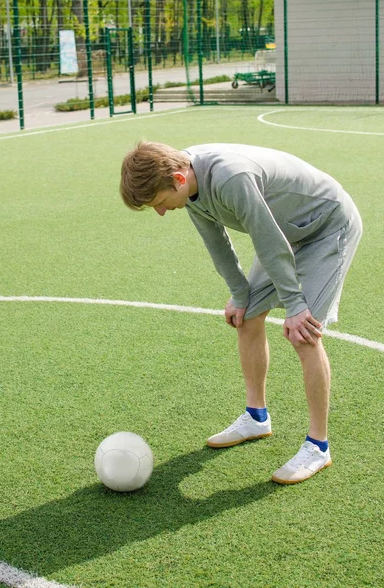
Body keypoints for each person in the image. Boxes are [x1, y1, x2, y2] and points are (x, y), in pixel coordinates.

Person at [120, 141, 362, 485]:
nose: (161, 212)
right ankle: (256, 417)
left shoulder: (229, 176)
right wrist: (239, 294)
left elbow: (267, 238)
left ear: (177, 177)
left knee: (303, 333)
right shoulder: (188, 183)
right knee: (246, 316)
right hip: (286, 232)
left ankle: (318, 446)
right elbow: (216, 242)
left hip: (327, 228)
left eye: (159, 203)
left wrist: (295, 305)